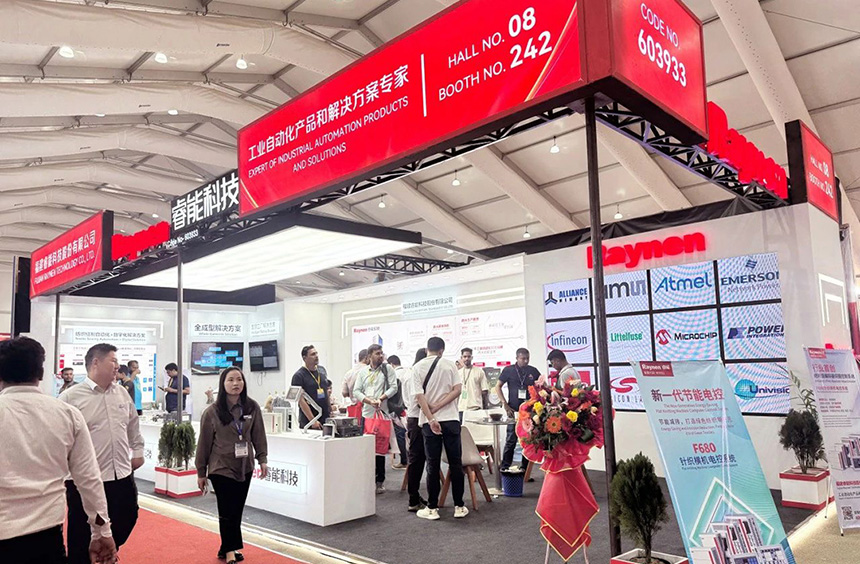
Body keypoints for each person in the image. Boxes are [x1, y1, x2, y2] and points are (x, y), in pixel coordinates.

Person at [0, 337, 117, 564]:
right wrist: (101, 531)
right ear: (41, 373)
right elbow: (89, 479)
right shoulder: (67, 414)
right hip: (47, 538)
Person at [60, 343, 145, 564]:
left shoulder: (121, 393)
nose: (118, 366)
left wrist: (137, 450)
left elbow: (133, 425)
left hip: (121, 473)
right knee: (81, 530)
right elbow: (61, 439)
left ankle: (106, 551)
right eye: (113, 361)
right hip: (85, 480)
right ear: (96, 362)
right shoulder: (70, 398)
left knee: (128, 515)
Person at [196, 366, 268, 564]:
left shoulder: (252, 407)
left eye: (239, 379)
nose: (236, 383)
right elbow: (203, 444)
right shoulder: (212, 412)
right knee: (227, 509)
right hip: (221, 466)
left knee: (236, 509)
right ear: (223, 384)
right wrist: (201, 471)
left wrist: (262, 459)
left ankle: (225, 547)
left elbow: (259, 435)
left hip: (245, 466)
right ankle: (230, 551)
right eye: (231, 380)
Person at [411, 337, 468, 520]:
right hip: (451, 419)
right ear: (441, 350)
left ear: (426, 349)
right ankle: (459, 506)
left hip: (429, 422)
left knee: (432, 464)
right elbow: (457, 390)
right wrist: (439, 406)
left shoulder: (417, 367)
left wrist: (431, 416)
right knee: (456, 463)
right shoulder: (450, 365)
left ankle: (432, 508)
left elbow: (419, 397)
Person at [354, 343, 398, 494]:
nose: (381, 356)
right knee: (366, 449)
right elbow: (356, 391)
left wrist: (381, 398)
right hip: (367, 414)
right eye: (377, 353)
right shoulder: (363, 372)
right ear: (369, 356)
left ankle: (380, 481)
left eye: (381, 353)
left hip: (382, 414)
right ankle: (367, 480)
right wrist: (368, 400)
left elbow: (394, 387)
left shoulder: (387, 369)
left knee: (380, 449)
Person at [496, 347, 541, 471]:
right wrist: (504, 403)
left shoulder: (533, 371)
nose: (525, 361)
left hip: (529, 412)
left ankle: (524, 469)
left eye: (527, 358)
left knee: (527, 440)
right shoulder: (508, 370)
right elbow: (498, 386)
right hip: (513, 411)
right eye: (523, 358)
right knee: (511, 439)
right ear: (517, 358)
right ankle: (505, 466)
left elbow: (541, 387)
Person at [404, 348, 428, 512]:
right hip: (419, 418)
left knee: (416, 459)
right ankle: (413, 498)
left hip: (412, 417)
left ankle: (414, 496)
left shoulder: (408, 374)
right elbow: (419, 400)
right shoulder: (417, 375)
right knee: (418, 459)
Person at [291, 345, 330, 430]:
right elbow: (301, 400)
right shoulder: (299, 376)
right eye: (313, 354)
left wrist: (330, 410)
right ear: (304, 358)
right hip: (309, 421)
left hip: (325, 418)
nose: (316, 356)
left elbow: (326, 391)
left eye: (316, 353)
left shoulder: (322, 371)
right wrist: (312, 420)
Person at [387, 354, 408, 469]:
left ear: (391, 364)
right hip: (409, 408)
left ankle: (404, 460)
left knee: (400, 434)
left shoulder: (394, 376)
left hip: (398, 410)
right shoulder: (408, 372)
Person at [457, 347, 489, 421]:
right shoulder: (458, 373)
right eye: (465, 356)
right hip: (461, 409)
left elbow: (485, 391)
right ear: (461, 358)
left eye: (469, 356)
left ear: (472, 357)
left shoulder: (479, 371)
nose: (467, 359)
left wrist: (485, 408)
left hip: (476, 408)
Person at [342, 348, 368, 417]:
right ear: (366, 358)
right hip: (368, 409)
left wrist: (352, 394)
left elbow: (344, 393)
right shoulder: (370, 371)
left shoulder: (348, 373)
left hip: (354, 409)